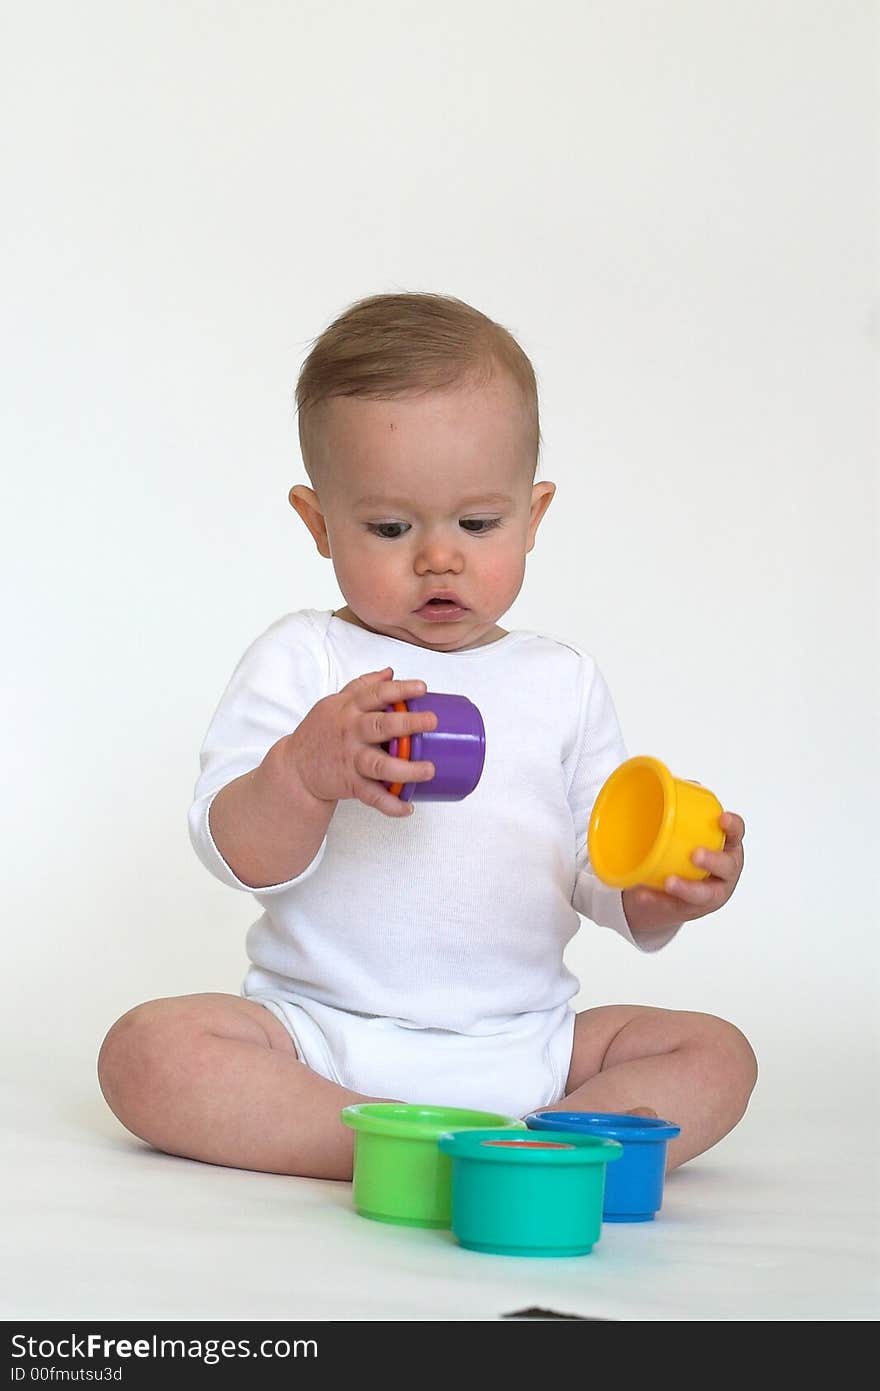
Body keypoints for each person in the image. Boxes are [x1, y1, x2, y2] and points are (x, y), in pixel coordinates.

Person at [98, 291, 756, 1180]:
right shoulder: (308, 660)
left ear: (535, 514)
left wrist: (660, 891)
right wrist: (304, 770)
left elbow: (599, 871)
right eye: (389, 526)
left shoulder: (560, 682)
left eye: (478, 524)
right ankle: (389, 1145)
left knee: (717, 1053)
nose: (437, 556)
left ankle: (537, 1133)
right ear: (319, 523)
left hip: (528, 1045)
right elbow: (236, 851)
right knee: (148, 1049)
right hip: (322, 1041)